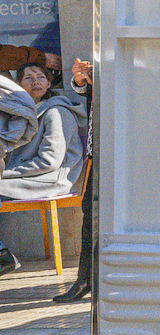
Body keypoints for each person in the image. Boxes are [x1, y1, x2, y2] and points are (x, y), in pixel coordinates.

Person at [0, 63, 90, 276]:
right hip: (31, 176)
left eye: (41, 76)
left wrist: (4, 174)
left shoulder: (56, 111)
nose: (36, 81)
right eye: (28, 78)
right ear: (18, 86)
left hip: (53, 177)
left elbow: (49, 161)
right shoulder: (18, 114)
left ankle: (3, 256)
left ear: (49, 83)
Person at [51, 60, 94, 303]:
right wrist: (82, 80)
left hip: (130, 154)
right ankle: (85, 278)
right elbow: (92, 95)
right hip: (100, 152)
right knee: (90, 213)